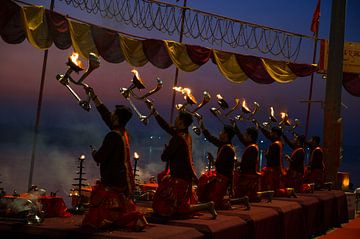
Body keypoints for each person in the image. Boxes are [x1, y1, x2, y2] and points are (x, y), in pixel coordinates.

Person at [81, 86, 148, 230]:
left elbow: (100, 157)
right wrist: (94, 96)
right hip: (122, 178)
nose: (110, 114)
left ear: (116, 118)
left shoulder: (112, 136)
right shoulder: (123, 132)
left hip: (113, 180)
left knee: (97, 213)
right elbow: (106, 116)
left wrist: (94, 153)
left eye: (113, 114)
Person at [148, 102, 217, 219]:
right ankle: (205, 206)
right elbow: (167, 128)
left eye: (177, 119)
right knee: (178, 206)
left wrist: (167, 151)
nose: (174, 121)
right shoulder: (185, 135)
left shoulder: (178, 138)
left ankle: (207, 206)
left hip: (179, 178)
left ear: (181, 122)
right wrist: (155, 113)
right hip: (184, 176)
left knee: (168, 206)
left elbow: (164, 157)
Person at [197, 120, 250, 210]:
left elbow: (221, 167)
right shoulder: (224, 145)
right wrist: (202, 127)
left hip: (222, 180)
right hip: (221, 178)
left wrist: (212, 161)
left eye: (222, 132)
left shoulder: (227, 149)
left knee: (204, 181)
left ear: (226, 135)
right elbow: (211, 138)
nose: (220, 133)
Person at [232, 122, 262, 202]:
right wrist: (235, 126)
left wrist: (238, 163)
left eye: (245, 134)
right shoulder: (251, 146)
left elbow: (248, 164)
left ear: (250, 136)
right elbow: (241, 138)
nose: (244, 136)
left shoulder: (252, 148)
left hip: (248, 178)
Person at [259, 126, 285, 195]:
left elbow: (271, 159)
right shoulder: (280, 143)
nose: (270, 134)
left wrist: (266, 155)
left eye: (271, 132)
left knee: (270, 187)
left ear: (275, 134)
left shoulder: (275, 145)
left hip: (272, 170)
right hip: (277, 169)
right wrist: (260, 127)